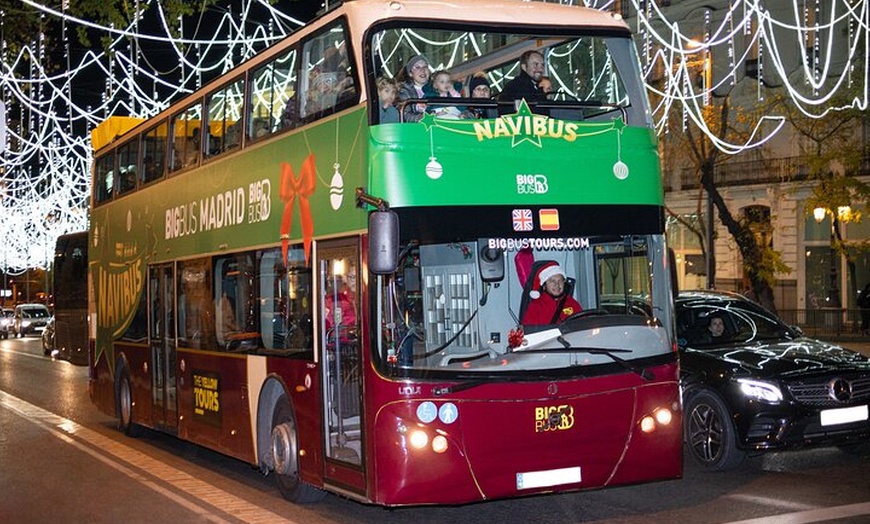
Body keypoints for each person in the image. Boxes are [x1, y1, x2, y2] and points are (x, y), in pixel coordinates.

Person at [498, 50, 547, 114]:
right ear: (524, 67)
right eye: (536, 64)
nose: (540, 69)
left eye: (542, 65)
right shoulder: (513, 88)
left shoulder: (538, 90)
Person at [397, 54, 431, 122]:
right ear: (410, 73)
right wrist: (424, 118)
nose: (422, 70)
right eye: (417, 67)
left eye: (425, 67)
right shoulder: (404, 91)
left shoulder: (437, 88)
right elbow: (405, 116)